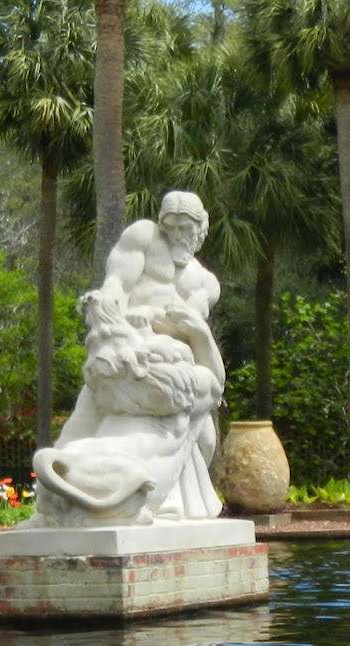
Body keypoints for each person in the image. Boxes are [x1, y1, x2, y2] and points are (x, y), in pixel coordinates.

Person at [30, 192, 227, 527]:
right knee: (79, 429)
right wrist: (107, 308)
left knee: (201, 437)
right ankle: (51, 509)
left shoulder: (206, 282)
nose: (179, 234)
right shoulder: (144, 237)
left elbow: (188, 324)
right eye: (173, 226)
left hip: (172, 369)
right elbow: (117, 284)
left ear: (201, 229)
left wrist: (163, 323)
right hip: (126, 353)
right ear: (163, 224)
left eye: (187, 227)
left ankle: (163, 503)